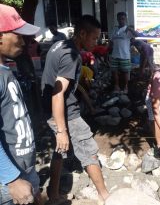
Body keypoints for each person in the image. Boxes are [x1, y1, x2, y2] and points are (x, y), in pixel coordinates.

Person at [41, 15, 109, 205]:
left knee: (59, 151)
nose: (96, 42)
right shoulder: (72, 56)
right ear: (82, 33)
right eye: (94, 38)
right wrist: (62, 130)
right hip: (66, 113)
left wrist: (86, 100)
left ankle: (53, 195)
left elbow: (65, 83)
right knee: (89, 152)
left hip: (51, 110)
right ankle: (106, 197)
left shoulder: (59, 45)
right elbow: (58, 92)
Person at [0, 4, 41, 205]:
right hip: (7, 181)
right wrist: (12, 179)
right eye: (19, 35)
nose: (25, 42)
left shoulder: (6, 70)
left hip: (23, 166)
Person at [109, 12, 137, 94]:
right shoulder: (114, 30)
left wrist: (130, 29)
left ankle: (126, 87)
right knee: (114, 71)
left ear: (125, 19)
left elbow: (137, 35)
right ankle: (116, 86)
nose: (121, 20)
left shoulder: (128, 30)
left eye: (123, 19)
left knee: (125, 72)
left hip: (125, 56)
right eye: (120, 19)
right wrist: (107, 52)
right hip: (114, 55)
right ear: (117, 19)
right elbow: (110, 42)